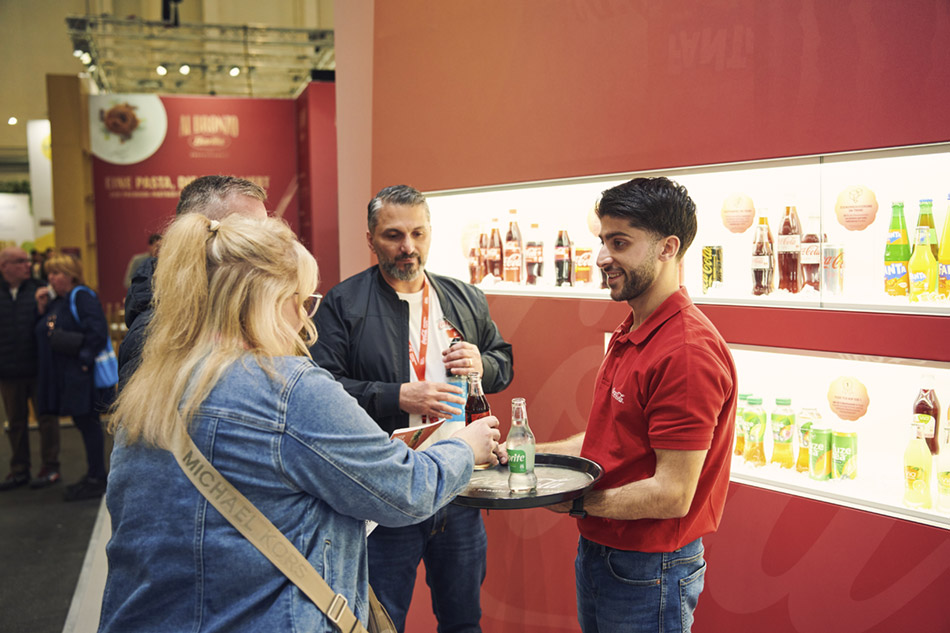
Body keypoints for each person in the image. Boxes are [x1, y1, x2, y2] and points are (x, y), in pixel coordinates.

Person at [97, 213, 502, 632]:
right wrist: (463, 448)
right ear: (271, 299)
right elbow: (407, 491)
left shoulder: (154, 384)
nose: (306, 321)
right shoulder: (288, 388)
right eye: (304, 301)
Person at [312, 184, 514, 633]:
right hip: (387, 488)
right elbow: (321, 390)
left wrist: (485, 361)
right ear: (370, 239)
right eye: (393, 235)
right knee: (382, 623)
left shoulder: (464, 298)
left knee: (463, 621)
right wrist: (395, 395)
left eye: (418, 234)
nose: (409, 247)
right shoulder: (343, 304)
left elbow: (504, 364)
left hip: (461, 485)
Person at [540, 177, 737, 633]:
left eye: (620, 242)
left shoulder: (686, 351)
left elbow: (672, 493)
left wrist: (571, 501)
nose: (602, 257)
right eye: (603, 240)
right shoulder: (634, 328)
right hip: (604, 554)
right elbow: (609, 442)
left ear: (668, 248)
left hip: (650, 569)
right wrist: (530, 459)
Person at [119, 175, 268, 387]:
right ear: (197, 233)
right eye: (248, 233)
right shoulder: (156, 335)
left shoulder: (239, 310)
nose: (267, 246)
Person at [34, 254, 112, 501]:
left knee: (89, 424)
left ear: (70, 274)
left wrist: (84, 360)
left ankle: (97, 477)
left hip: (82, 375)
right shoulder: (62, 300)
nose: (51, 278)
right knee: (84, 423)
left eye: (56, 273)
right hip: (73, 374)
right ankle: (94, 474)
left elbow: (98, 331)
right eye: (50, 273)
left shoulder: (81, 296)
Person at [0, 246, 61, 490]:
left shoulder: (40, 289)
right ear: (4, 266)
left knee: (47, 419)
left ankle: (51, 466)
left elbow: (51, 324)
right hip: (8, 371)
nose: (28, 265)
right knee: (15, 423)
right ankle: (19, 469)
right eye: (20, 262)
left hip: (38, 369)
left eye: (27, 261)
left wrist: (42, 310)